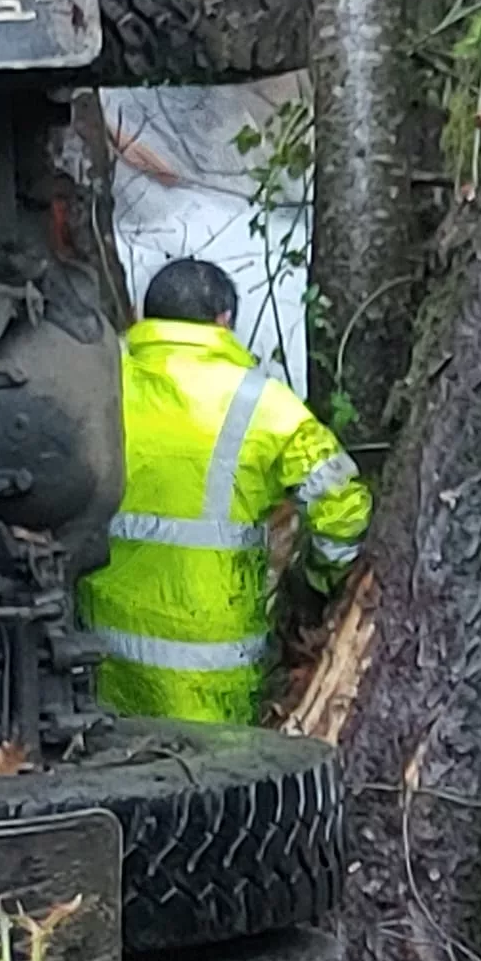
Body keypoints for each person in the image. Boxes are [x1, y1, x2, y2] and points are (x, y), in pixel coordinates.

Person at [78, 258, 372, 725]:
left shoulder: (97, 384)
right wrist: (321, 575)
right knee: (215, 787)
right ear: (224, 322)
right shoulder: (266, 404)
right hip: (215, 665)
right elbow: (343, 507)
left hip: (105, 654)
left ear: (144, 317)